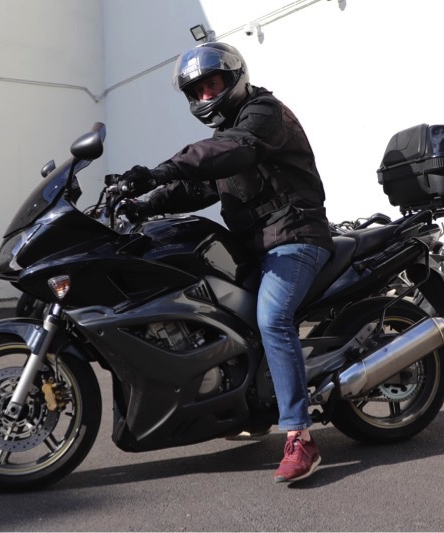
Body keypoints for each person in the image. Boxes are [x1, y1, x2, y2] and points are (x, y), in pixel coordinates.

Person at [116, 41, 334, 483]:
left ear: (233, 78)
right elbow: (200, 187)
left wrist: (162, 168)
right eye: (195, 91)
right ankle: (247, 403)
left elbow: (232, 153)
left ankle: (300, 437)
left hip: (295, 238)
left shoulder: (264, 115)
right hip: (257, 246)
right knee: (215, 309)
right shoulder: (226, 136)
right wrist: (144, 202)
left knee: (271, 318)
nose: (204, 96)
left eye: (210, 84)